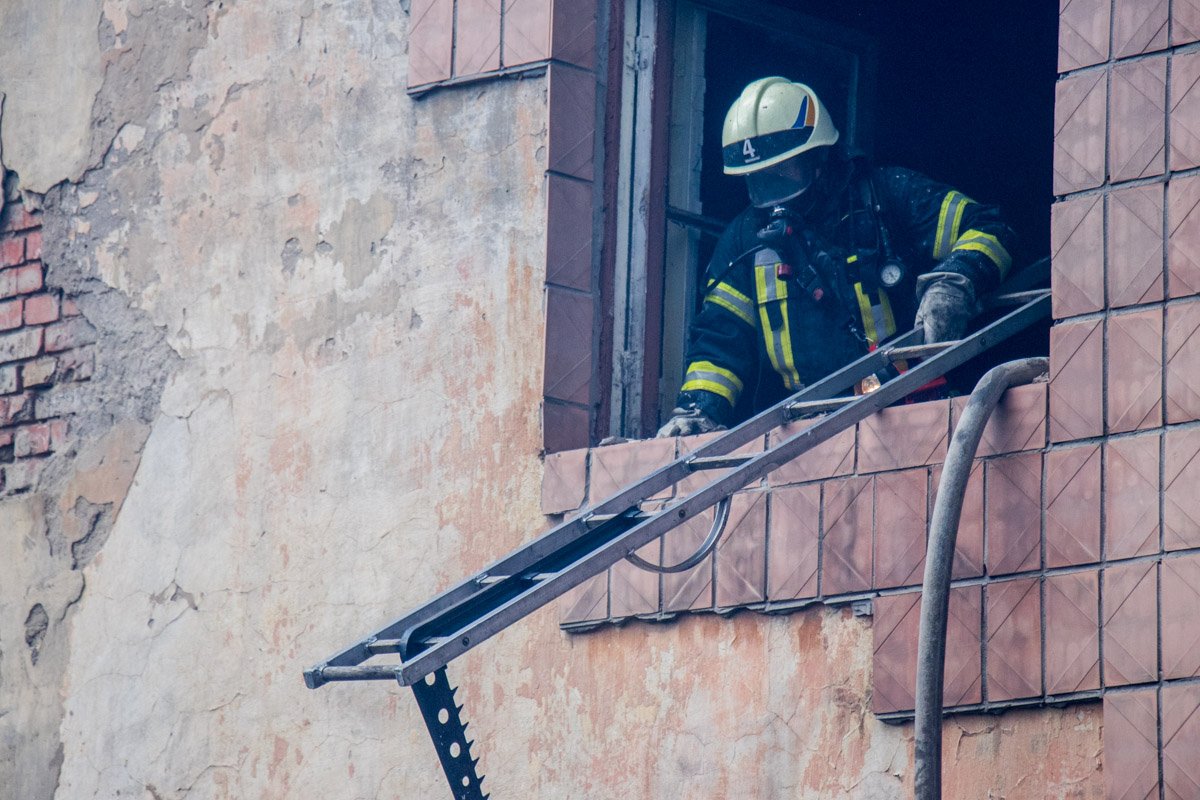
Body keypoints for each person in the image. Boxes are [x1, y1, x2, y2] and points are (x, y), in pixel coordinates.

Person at [657, 76, 1017, 437]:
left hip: (912, 411)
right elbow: (720, 338)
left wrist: (954, 283)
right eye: (759, 182)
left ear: (819, 158)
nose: (774, 195)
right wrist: (699, 410)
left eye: (782, 174)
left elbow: (990, 228)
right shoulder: (744, 241)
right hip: (808, 433)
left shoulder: (886, 198)